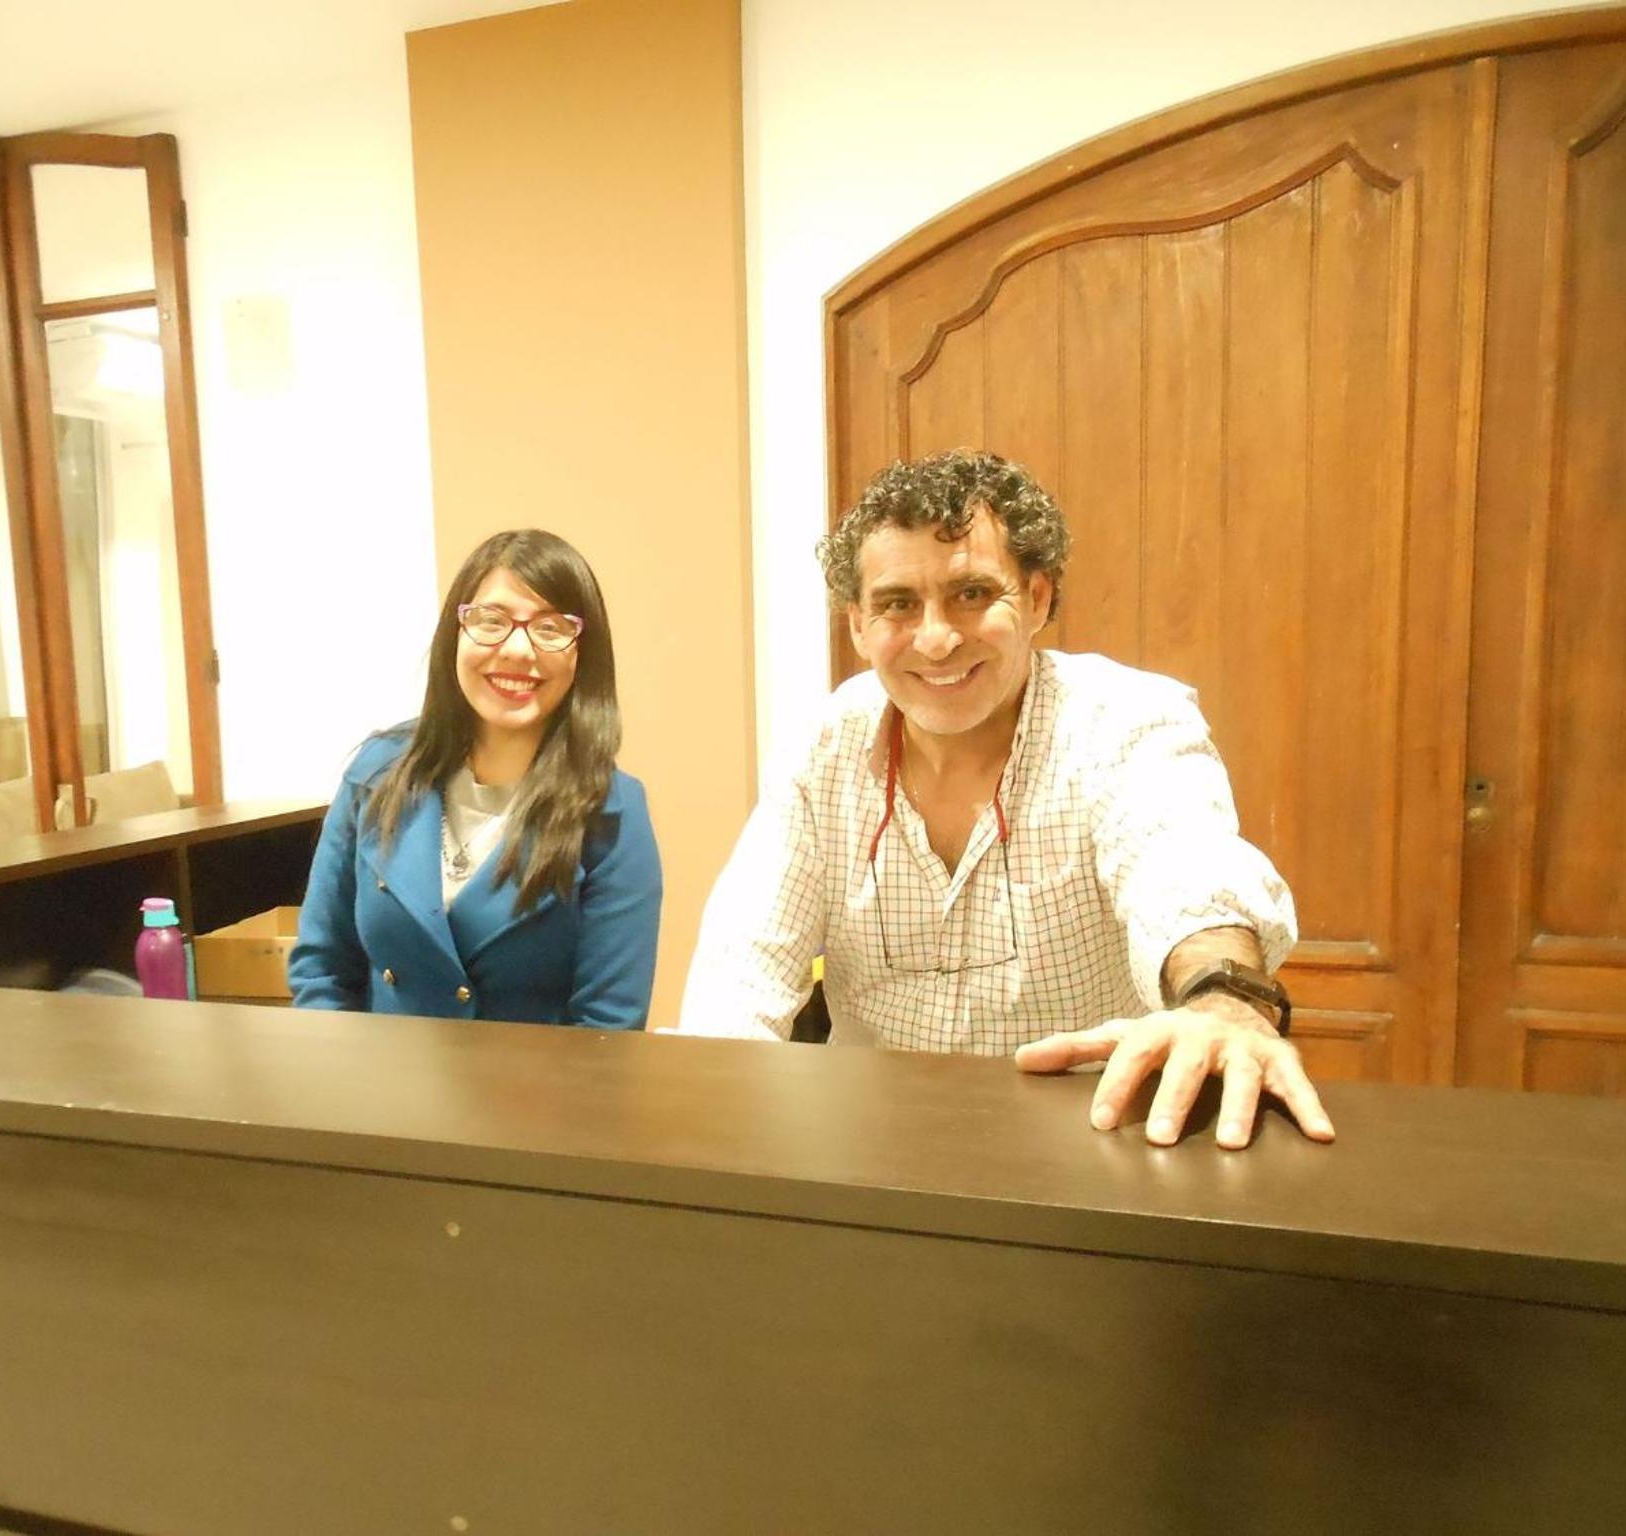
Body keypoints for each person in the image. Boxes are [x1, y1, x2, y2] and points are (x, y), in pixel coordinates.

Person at [676, 450, 1334, 1150]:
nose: (936, 639)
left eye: (971, 594)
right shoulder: (823, 750)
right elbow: (742, 972)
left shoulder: (1125, 724)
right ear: (859, 626)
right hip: (870, 1155)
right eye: (898, 604)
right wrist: (711, 1126)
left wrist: (1223, 998)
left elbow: (1186, 870)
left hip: (1095, 1147)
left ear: (1038, 599)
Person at [289, 529, 662, 1028]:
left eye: (550, 628)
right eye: (492, 620)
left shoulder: (612, 812)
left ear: (582, 654)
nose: (517, 649)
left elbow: (608, 1025)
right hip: (378, 1075)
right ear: (455, 632)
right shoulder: (377, 773)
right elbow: (322, 969)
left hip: (537, 1081)